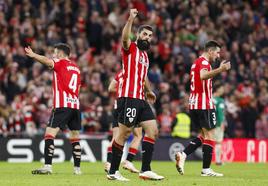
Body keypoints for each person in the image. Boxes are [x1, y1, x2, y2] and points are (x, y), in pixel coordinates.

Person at [107, 9, 164, 181]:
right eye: (145, 34)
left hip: (141, 98)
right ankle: (113, 172)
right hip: (129, 97)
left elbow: (143, 75)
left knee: (152, 130)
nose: (147, 37)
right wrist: (130, 20)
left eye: (150, 35)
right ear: (138, 35)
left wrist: (148, 90)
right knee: (124, 134)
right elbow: (124, 38)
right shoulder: (130, 48)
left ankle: (145, 170)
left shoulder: (145, 56)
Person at [175, 40, 231, 177]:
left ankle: (183, 154)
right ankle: (206, 169)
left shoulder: (196, 62)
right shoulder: (205, 63)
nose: (218, 56)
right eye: (217, 52)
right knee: (210, 135)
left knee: (204, 136)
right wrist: (220, 70)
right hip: (204, 103)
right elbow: (203, 75)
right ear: (210, 51)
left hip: (194, 103)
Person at [25, 43, 82, 175]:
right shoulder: (76, 68)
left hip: (62, 105)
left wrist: (33, 55)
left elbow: (46, 61)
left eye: (55, 53)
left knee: (49, 134)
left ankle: (48, 167)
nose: (53, 55)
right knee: (75, 137)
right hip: (75, 105)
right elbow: (78, 88)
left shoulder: (60, 63)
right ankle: (77, 169)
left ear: (61, 54)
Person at [105, 70, 142, 173]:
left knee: (116, 136)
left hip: (118, 104)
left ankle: (108, 162)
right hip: (131, 103)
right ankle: (128, 161)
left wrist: (121, 90)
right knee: (138, 135)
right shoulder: (136, 72)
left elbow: (110, 88)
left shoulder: (120, 73)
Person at [213, 84, 226, 165]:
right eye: (222, 88)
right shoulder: (220, 100)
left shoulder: (210, 98)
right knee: (218, 142)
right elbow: (220, 113)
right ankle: (218, 161)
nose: (223, 90)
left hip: (209, 123)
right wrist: (221, 122)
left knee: (208, 141)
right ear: (217, 89)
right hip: (217, 124)